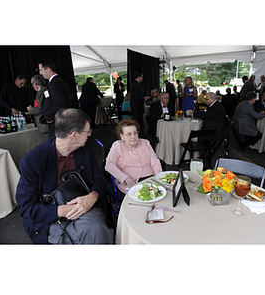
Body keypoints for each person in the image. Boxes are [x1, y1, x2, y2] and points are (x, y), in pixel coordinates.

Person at [16, 108, 113, 244]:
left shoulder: (84, 148)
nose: (89, 135)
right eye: (87, 131)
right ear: (73, 135)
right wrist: (66, 210)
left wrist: (92, 197)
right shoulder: (33, 161)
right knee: (94, 230)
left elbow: (98, 176)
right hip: (51, 217)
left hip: (85, 209)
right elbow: (27, 208)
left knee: (95, 228)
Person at [105, 118, 162, 201]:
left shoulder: (145, 143)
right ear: (122, 136)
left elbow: (155, 162)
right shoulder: (117, 146)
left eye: (135, 133)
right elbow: (109, 165)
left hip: (151, 180)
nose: (133, 137)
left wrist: (159, 178)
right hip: (130, 183)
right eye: (129, 134)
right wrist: (126, 179)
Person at [38, 58, 70, 137]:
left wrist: (49, 116)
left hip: (57, 122)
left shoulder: (55, 83)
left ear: (48, 70)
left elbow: (59, 104)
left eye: (41, 70)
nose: (40, 73)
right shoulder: (56, 81)